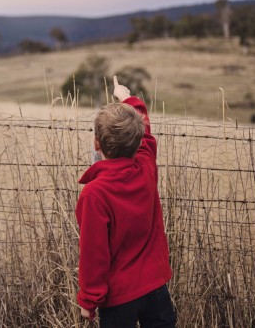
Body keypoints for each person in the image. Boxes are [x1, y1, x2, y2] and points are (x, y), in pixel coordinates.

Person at [76, 76, 176, 327]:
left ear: (96, 143)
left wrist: (89, 301)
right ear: (138, 140)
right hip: (156, 287)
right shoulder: (145, 167)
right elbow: (146, 133)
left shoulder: (94, 194)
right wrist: (128, 98)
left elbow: (93, 254)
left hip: (119, 297)